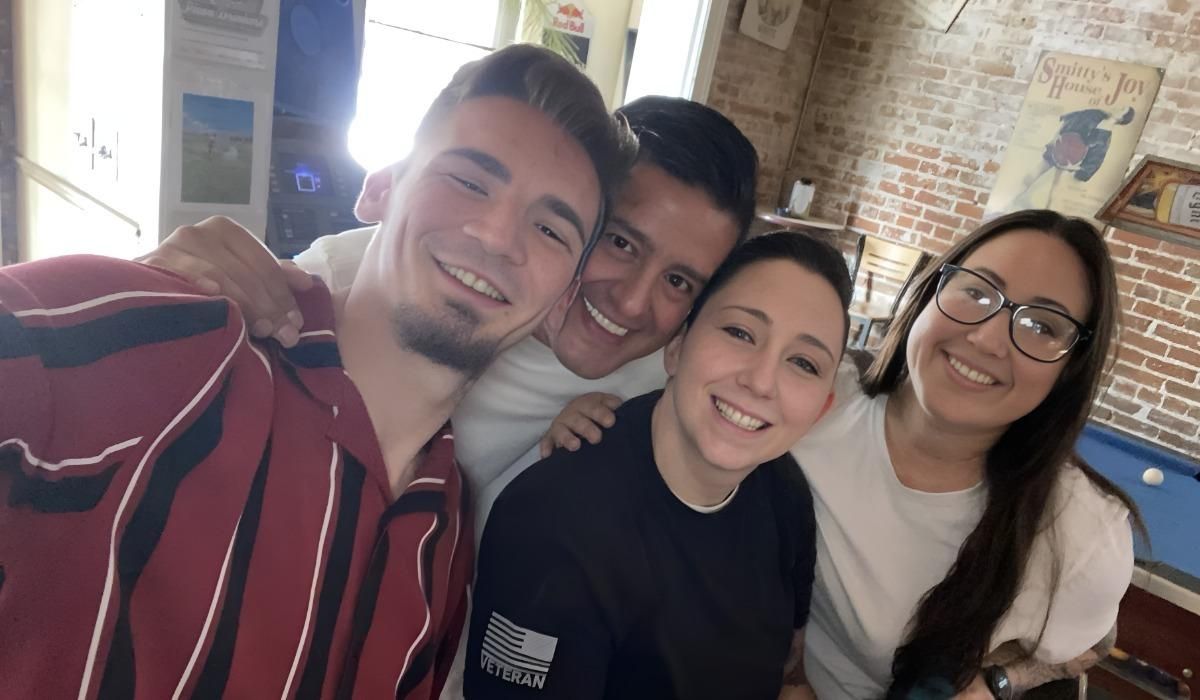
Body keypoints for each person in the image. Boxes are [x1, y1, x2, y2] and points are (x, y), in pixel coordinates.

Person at [0, 44, 636, 699]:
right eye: (469, 181)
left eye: (551, 231)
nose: (500, 236)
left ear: (565, 296)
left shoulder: (444, 537)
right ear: (380, 188)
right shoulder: (156, 341)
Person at [543, 210, 1140, 698]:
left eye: (1043, 326)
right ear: (930, 292)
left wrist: (996, 681)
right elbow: (693, 395)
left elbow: (1088, 643)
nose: (987, 338)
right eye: (977, 292)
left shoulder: (1079, 531)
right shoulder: (812, 397)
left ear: (1071, 368)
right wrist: (599, 419)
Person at [143, 95, 758, 508]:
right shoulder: (372, 275)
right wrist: (166, 281)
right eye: (620, 242)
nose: (630, 302)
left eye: (680, 282)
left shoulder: (674, 376)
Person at [464, 232, 853, 699]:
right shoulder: (552, 524)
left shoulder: (783, 490)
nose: (761, 382)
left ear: (822, 407)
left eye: (804, 363)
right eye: (740, 333)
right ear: (676, 346)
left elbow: (789, 673)